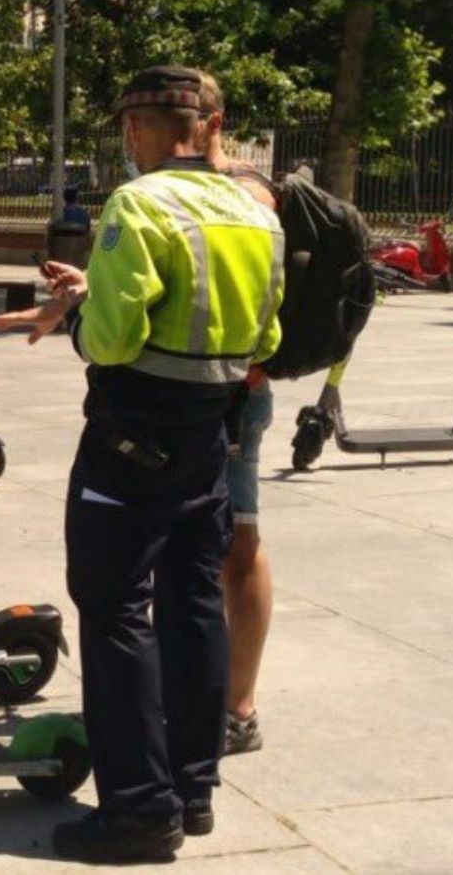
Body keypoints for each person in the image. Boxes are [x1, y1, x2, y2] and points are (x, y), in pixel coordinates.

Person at [0, 66, 284, 863]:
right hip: (206, 441)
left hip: (129, 443)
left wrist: (84, 311)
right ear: (212, 127)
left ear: (135, 129)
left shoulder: (139, 202)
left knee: (116, 610)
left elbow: (115, 340)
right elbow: (267, 339)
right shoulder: (256, 213)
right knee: (192, 603)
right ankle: (193, 790)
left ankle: (137, 809)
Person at [199, 79, 278, 757]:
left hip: (232, 394)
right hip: (192, 390)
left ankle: (237, 706)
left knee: (237, 541)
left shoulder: (247, 193)